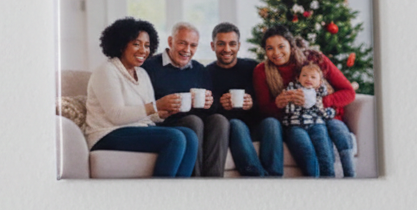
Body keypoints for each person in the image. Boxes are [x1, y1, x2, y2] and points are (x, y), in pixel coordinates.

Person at [84, 17, 197, 177]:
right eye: (136, 44)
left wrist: (164, 112)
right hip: (107, 133)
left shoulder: (142, 73)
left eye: (147, 46)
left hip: (137, 129)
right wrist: (156, 106)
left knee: (190, 135)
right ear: (121, 45)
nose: (143, 50)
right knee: (175, 137)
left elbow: (150, 115)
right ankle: (158, 193)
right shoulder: (107, 71)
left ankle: (178, 191)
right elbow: (116, 116)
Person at [253, 25, 356, 177]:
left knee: (324, 156)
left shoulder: (314, 60)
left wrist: (320, 102)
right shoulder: (262, 71)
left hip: (322, 118)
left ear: (291, 45)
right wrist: (278, 104)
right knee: (307, 152)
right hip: (293, 122)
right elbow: (263, 109)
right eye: (270, 48)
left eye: (281, 46)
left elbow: (349, 92)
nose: (276, 53)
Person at [142, 22, 230, 177]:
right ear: (170, 42)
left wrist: (210, 103)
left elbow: (213, 108)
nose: (187, 50)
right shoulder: (149, 68)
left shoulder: (199, 70)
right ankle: (194, 182)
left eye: (193, 45)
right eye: (182, 43)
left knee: (219, 120)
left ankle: (213, 182)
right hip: (166, 124)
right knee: (193, 121)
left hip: (197, 122)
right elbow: (144, 106)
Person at [207, 22, 283, 177]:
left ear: (239, 45)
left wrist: (252, 104)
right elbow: (205, 112)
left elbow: (266, 102)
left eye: (232, 44)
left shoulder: (252, 67)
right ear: (212, 46)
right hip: (232, 130)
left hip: (256, 126)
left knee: (272, 123)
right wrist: (220, 105)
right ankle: (256, 177)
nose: (227, 49)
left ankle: (275, 178)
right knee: (236, 124)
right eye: (221, 44)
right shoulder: (206, 73)